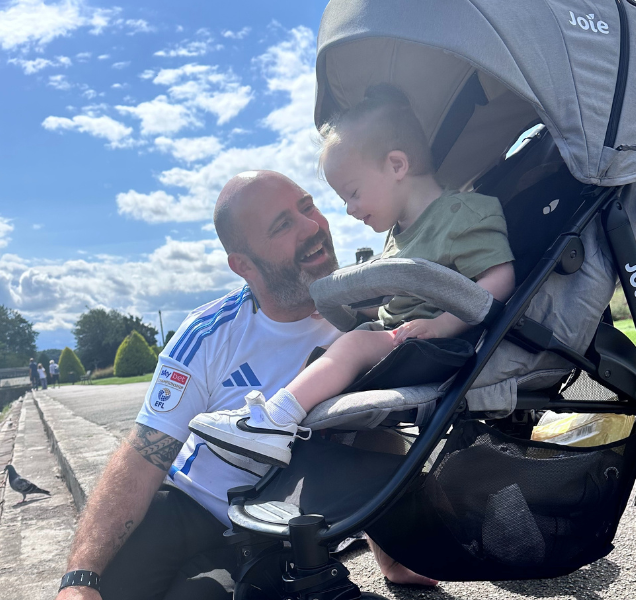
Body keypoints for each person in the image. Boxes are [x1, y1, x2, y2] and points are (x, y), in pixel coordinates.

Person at [54, 171, 432, 600]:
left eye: (307, 206)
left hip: (273, 528)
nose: (312, 227)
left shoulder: (374, 320)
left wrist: (392, 557)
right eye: (283, 225)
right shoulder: (209, 332)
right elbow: (144, 454)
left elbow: (380, 438)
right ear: (244, 265)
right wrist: (79, 578)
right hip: (186, 507)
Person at [189, 84, 515, 470]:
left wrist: (442, 325)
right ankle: (286, 427)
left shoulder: (461, 214)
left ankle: (274, 421)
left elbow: (501, 277)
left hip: (442, 345)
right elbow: (396, 297)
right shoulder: (403, 231)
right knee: (331, 351)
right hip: (408, 338)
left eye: (353, 193)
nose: (348, 209)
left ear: (397, 166)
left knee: (355, 344)